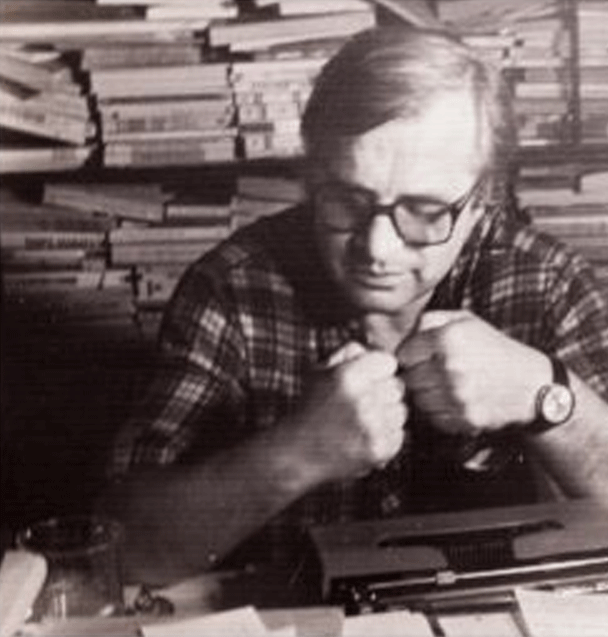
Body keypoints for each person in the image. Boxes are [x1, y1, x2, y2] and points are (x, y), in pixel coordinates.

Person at [99, 25, 608, 586]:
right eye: (347, 200)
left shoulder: (549, 283)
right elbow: (124, 552)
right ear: (312, 176)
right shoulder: (231, 289)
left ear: (484, 200)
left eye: (424, 211)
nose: (378, 248)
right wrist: (297, 452)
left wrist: (547, 395)